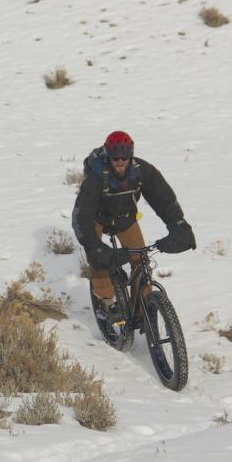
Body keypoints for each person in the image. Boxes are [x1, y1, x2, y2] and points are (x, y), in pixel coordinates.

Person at [72, 130, 195, 322]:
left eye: (124, 157)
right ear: (108, 156)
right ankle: (105, 304)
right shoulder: (96, 179)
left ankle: (144, 309)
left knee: (141, 261)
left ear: (131, 155)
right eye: (115, 157)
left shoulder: (141, 170)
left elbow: (164, 200)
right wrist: (95, 248)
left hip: (125, 218)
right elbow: (81, 218)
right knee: (99, 260)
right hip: (97, 219)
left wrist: (179, 225)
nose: (120, 162)